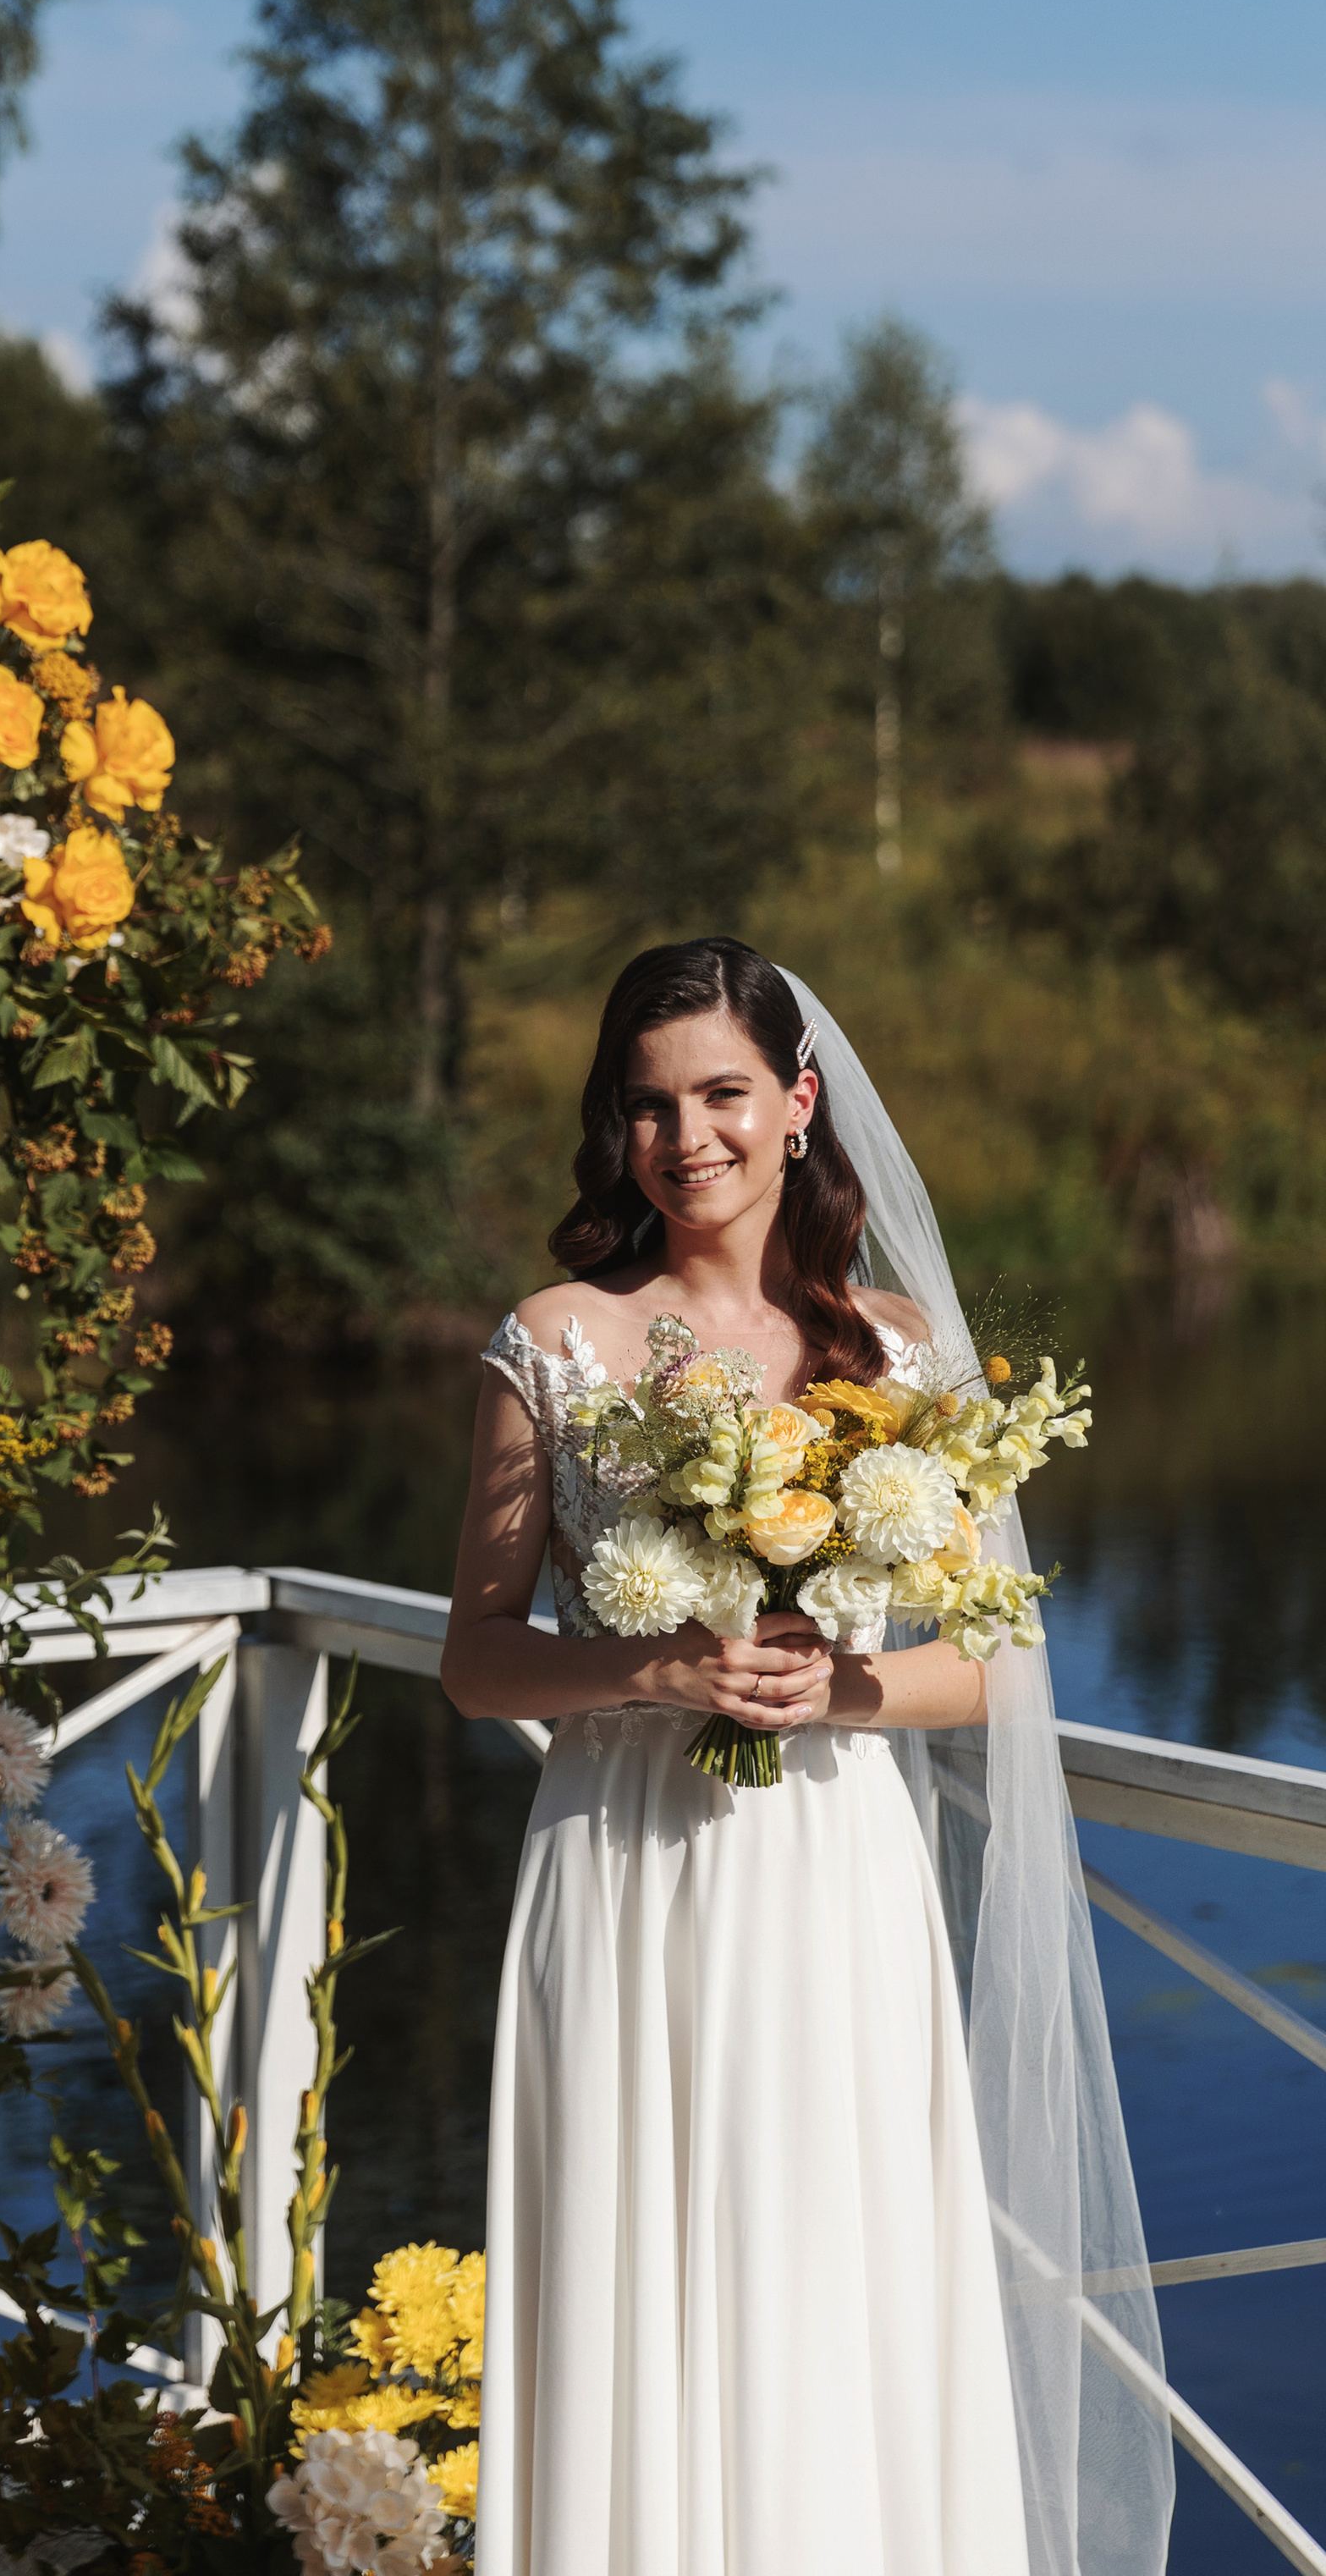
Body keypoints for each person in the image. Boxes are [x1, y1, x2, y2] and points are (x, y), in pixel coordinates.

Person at [443, 936, 1170, 2576]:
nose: (683, 1138)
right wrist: (649, 1666)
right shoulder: (553, 1339)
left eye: (720, 1094)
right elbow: (476, 1660)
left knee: (836, 2272)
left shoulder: (897, 1354)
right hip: (622, 1866)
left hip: (835, 1874)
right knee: (635, 2267)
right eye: (647, 1105)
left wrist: (832, 1692)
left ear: (798, 1101)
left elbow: (987, 1669)